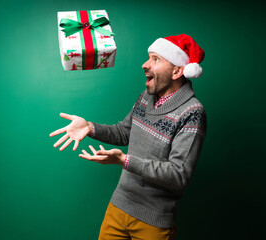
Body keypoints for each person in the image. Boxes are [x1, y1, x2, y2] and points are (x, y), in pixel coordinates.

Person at [50, 34, 206, 240]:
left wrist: (124, 160)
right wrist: (89, 127)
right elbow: (124, 132)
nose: (145, 64)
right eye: (148, 57)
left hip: (153, 222)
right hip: (118, 207)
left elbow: (179, 175)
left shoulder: (192, 112)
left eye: (155, 59)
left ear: (177, 71)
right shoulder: (146, 97)